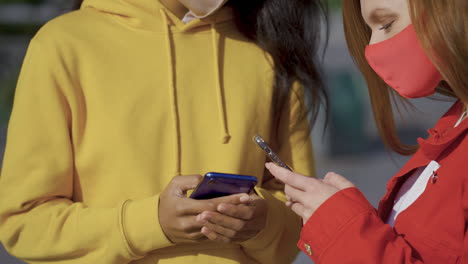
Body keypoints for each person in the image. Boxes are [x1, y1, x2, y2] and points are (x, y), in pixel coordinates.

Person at [0, 0, 328, 263]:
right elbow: (23, 224)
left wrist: (263, 221)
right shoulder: (62, 46)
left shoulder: (269, 53)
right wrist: (148, 224)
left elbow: (299, 220)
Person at [267, 0, 468, 263]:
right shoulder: (454, 124)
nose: (372, 48)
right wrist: (348, 217)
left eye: (386, 23)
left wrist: (342, 226)